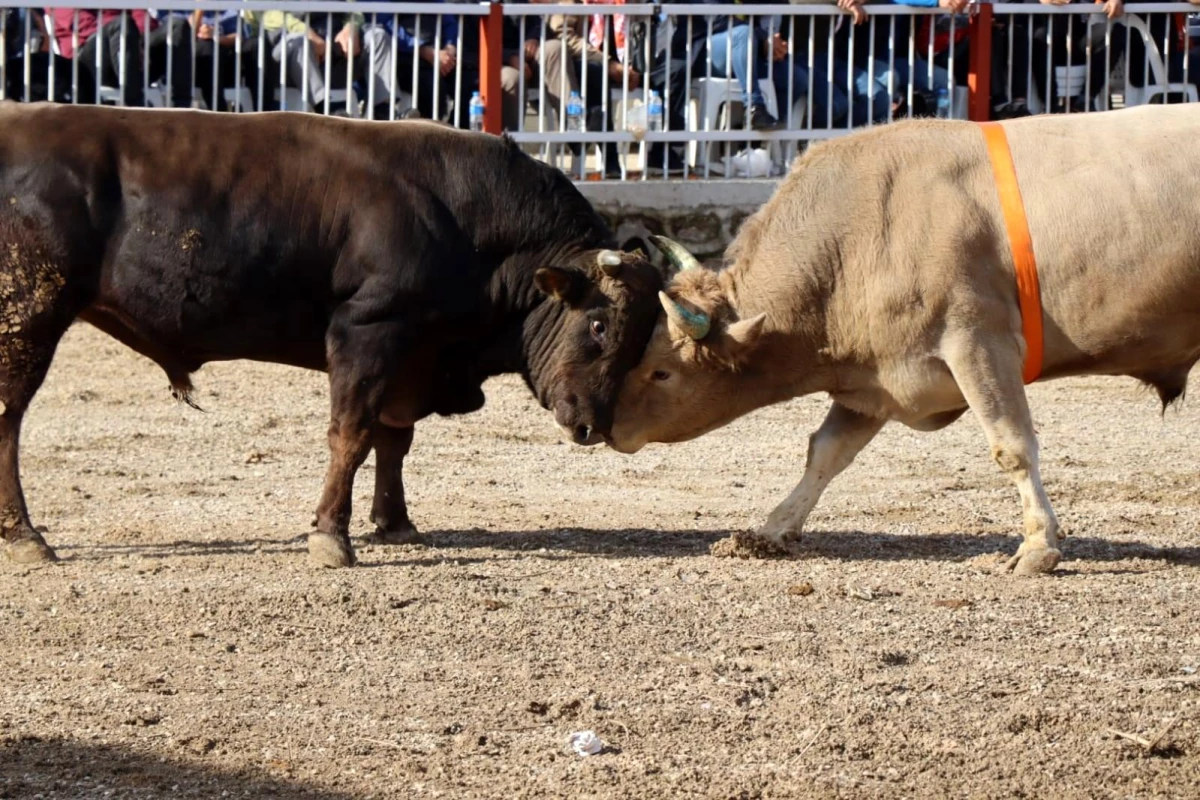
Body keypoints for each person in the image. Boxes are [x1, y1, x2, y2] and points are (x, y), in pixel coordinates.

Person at [45, 7, 193, 107]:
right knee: (121, 25)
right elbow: (83, 24)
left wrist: (136, 40)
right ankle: (135, 107)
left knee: (177, 25)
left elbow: (141, 15)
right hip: (89, 62)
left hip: (133, 49)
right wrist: (128, 35)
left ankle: (182, 107)